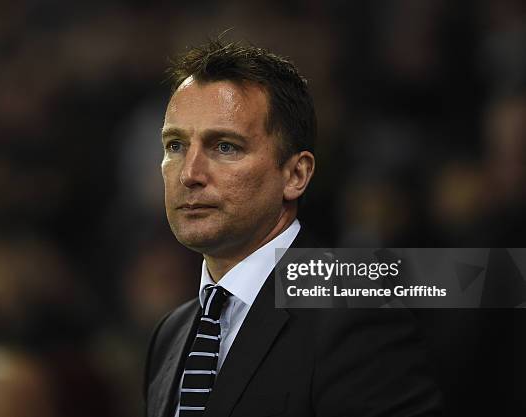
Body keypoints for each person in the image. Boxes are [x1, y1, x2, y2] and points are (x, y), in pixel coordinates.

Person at [143, 38, 442, 417]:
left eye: (225, 147)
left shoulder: (356, 312)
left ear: (295, 174)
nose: (189, 174)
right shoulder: (170, 335)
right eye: (175, 146)